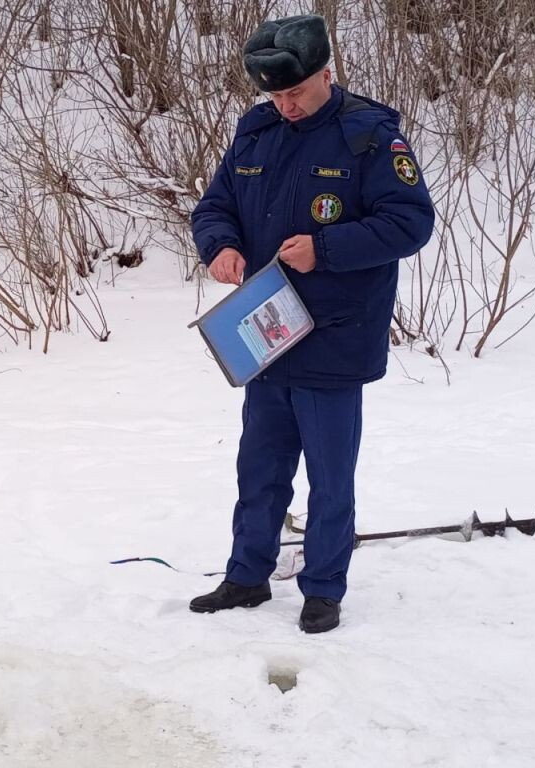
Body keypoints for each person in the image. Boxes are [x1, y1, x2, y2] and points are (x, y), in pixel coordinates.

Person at [188, 15, 435, 633]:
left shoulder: (369, 137)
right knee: (260, 467)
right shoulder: (256, 131)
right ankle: (247, 576)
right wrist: (219, 245)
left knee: (330, 474)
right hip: (265, 334)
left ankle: (323, 586)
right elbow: (215, 204)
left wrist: (325, 249)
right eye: (275, 94)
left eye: (295, 92)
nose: (286, 105)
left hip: (335, 334)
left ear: (328, 72)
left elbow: (410, 224)